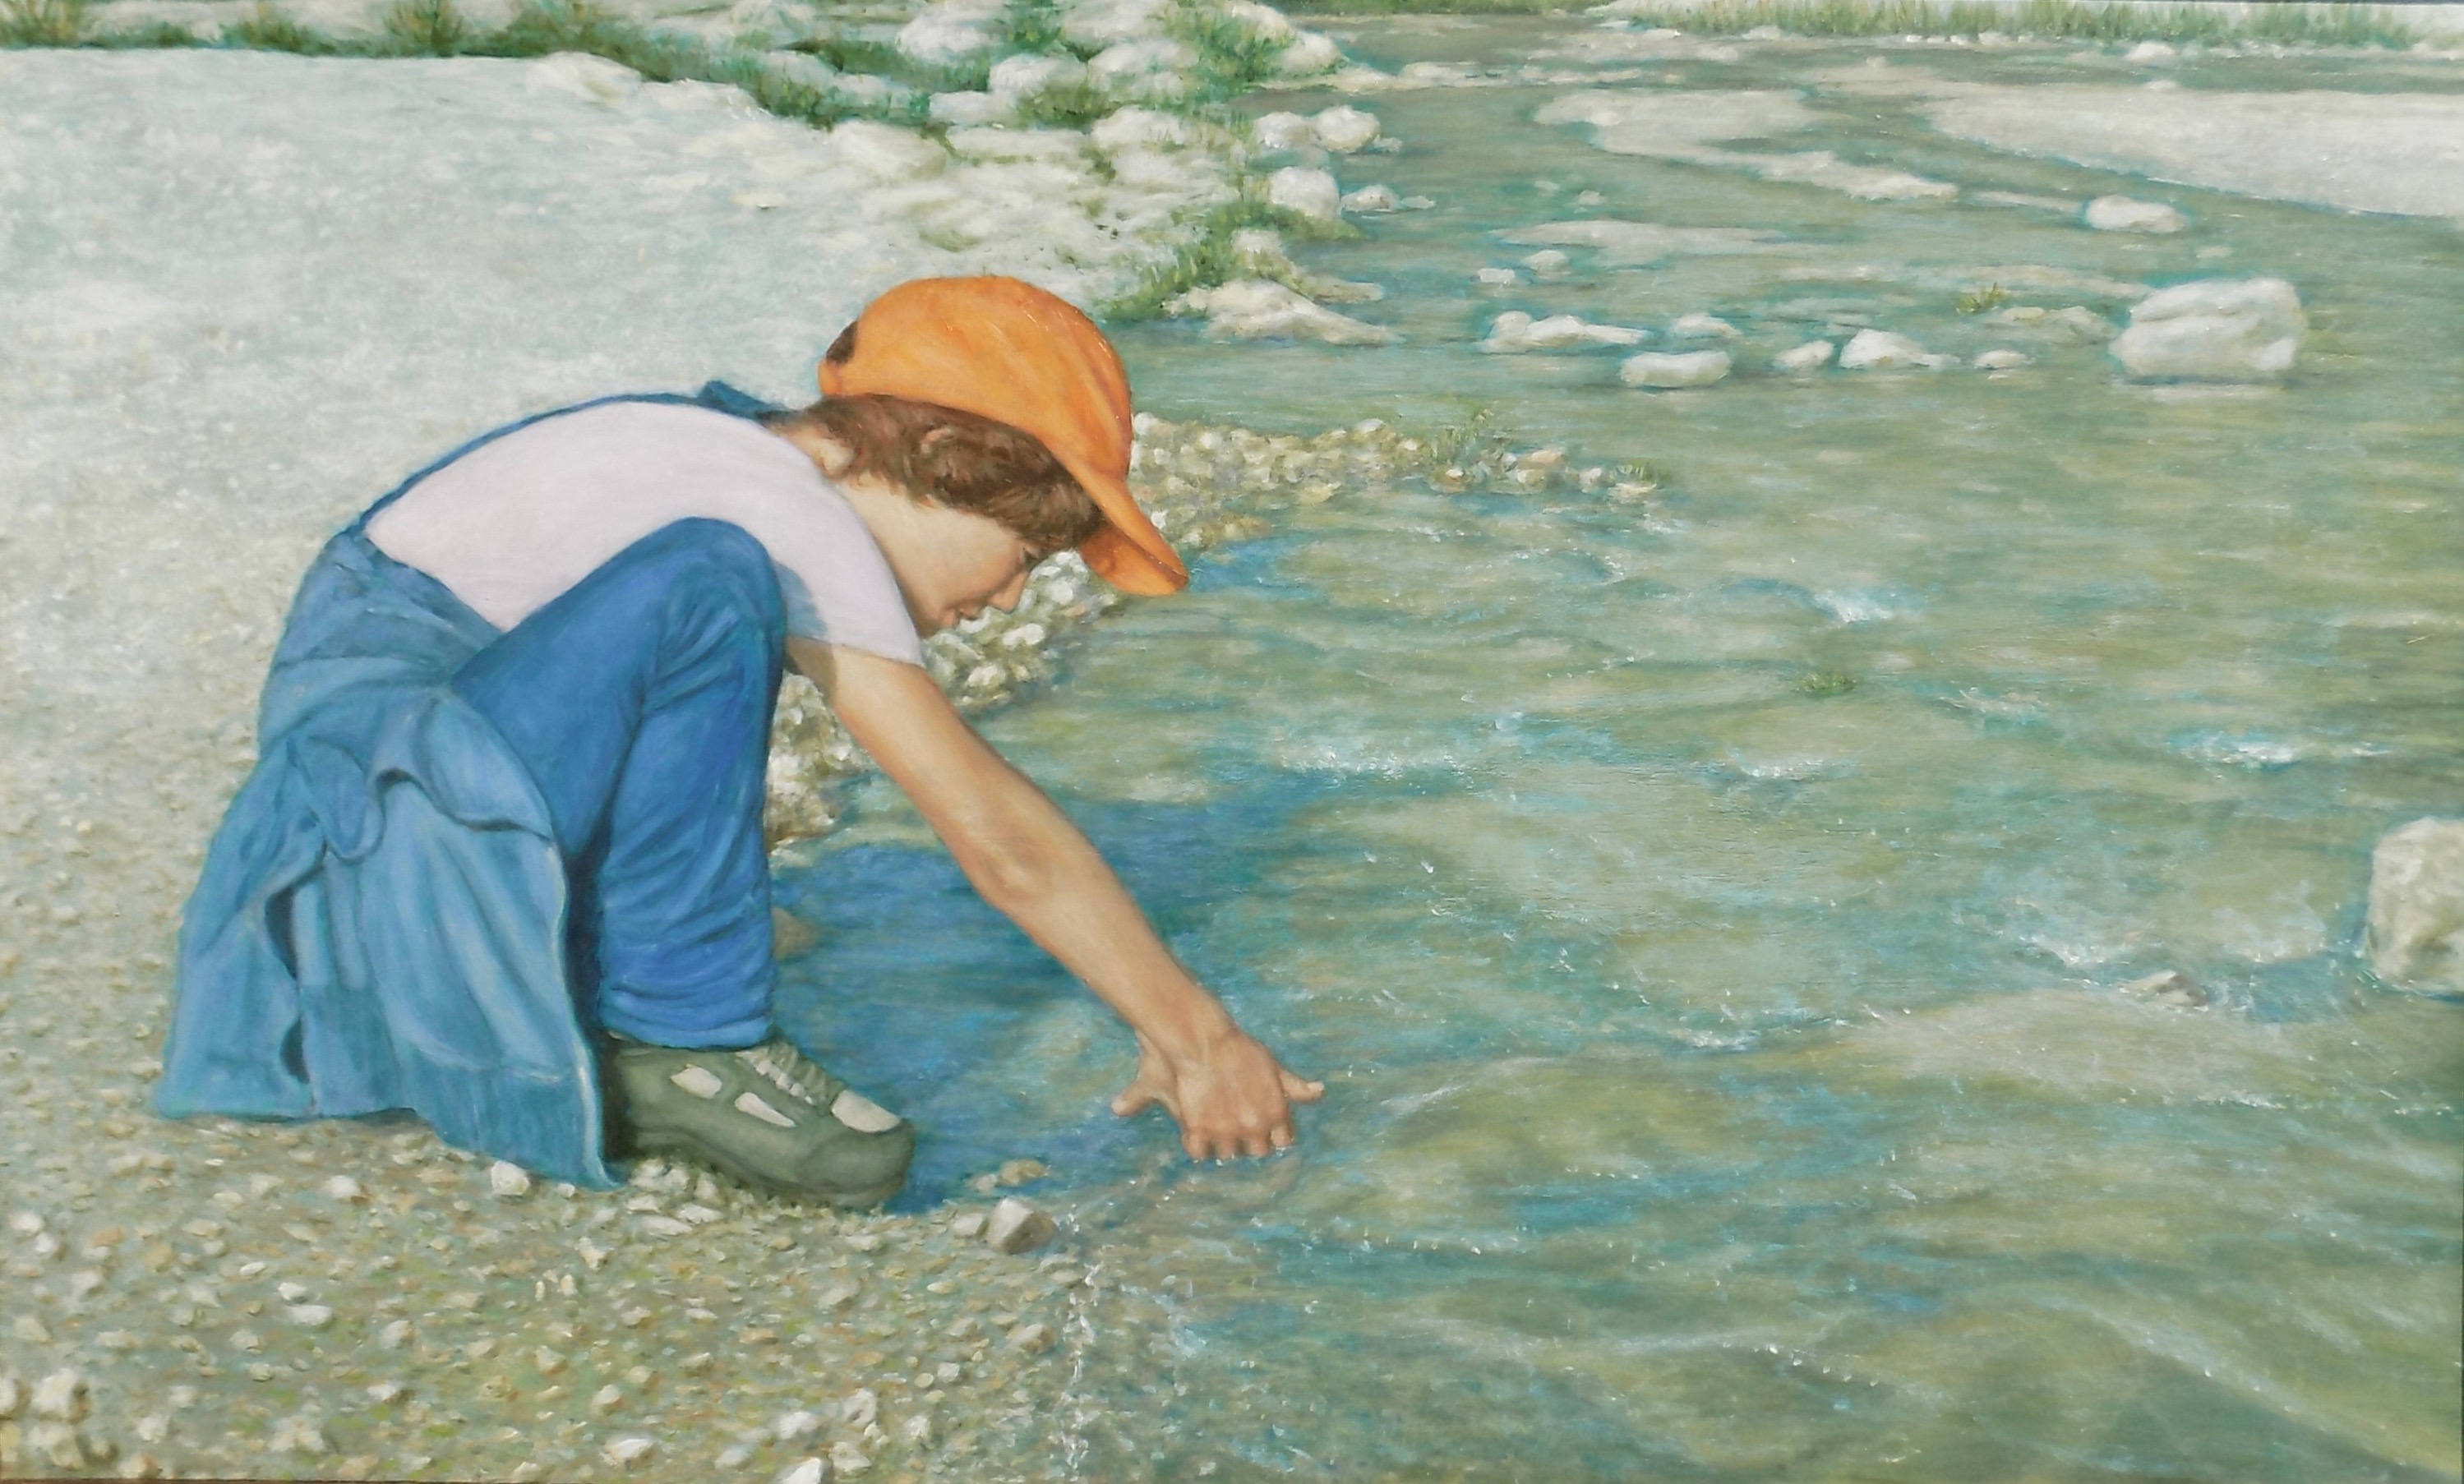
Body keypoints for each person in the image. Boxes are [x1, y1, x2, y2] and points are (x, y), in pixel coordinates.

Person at [156, 275, 1322, 1206]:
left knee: (710, 606)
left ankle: (624, 984)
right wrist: (1198, 1037)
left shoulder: (736, 453)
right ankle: (685, 1043)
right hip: (374, 842)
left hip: (385, 803)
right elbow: (994, 832)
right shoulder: (775, 513)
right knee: (711, 586)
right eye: (1021, 557)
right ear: (943, 466)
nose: (1009, 599)